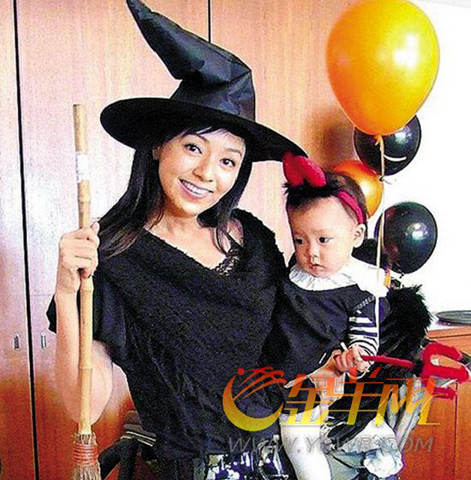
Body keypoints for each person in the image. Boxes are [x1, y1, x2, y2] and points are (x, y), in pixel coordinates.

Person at [47, 1, 306, 479]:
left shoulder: (254, 241)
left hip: (278, 461)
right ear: (158, 146)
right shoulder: (113, 255)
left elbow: (286, 351)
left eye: (228, 160)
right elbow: (86, 403)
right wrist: (67, 292)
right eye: (192, 147)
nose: (207, 172)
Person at [264, 153, 390, 480]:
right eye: (299, 239)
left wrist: (355, 356)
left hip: (320, 382)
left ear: (356, 235)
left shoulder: (360, 287)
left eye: (323, 240)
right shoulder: (293, 276)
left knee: (297, 440)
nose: (311, 252)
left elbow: (366, 339)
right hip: (278, 378)